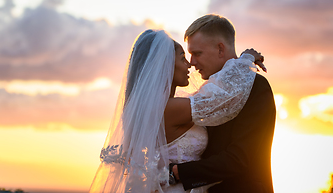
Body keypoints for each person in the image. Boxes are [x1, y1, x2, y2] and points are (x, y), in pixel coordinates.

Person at [89, 28, 265, 193]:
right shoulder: (170, 109)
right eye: (182, 58)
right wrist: (244, 60)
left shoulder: (159, 107)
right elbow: (218, 98)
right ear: (165, 66)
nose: (189, 64)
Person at [170, 14, 276, 193]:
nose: (192, 63)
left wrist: (178, 173)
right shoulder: (208, 92)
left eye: (197, 53)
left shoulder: (257, 87)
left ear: (220, 49)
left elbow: (241, 158)